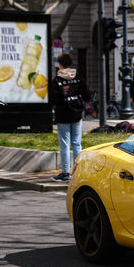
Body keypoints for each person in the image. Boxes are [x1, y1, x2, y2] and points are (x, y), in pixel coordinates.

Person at [50, 52, 91, 182]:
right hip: (77, 114)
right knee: (76, 143)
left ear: (60, 65)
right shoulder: (78, 77)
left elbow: (53, 99)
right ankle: (78, 171)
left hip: (63, 115)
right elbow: (87, 95)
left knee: (65, 145)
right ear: (71, 64)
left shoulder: (57, 80)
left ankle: (65, 173)